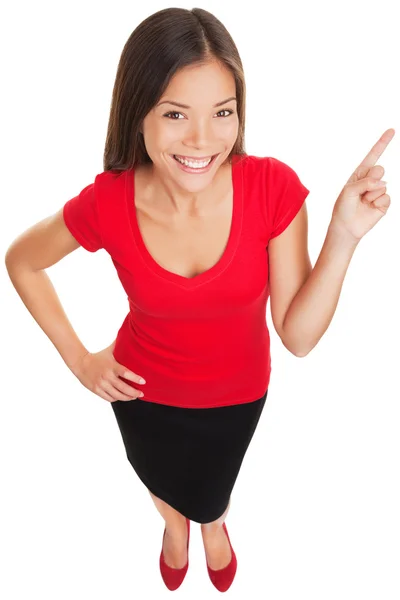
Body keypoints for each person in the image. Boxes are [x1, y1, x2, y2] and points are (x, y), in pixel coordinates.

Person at [4, 6, 394, 594]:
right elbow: (23, 260)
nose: (202, 140)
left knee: (213, 488)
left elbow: (298, 336)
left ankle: (210, 522)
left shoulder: (272, 189)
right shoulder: (108, 203)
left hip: (238, 397)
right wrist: (81, 360)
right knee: (156, 476)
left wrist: (343, 235)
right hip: (139, 391)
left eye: (222, 114)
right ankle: (172, 526)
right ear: (139, 115)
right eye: (176, 114)